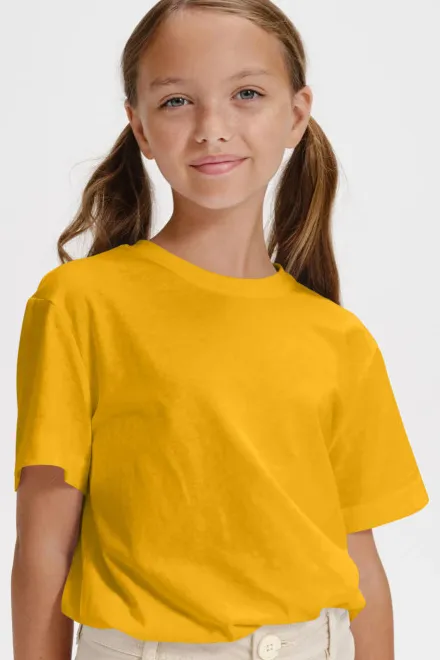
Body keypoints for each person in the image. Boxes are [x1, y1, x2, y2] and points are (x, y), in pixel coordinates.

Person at [11, 1, 430, 659]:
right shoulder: (80, 304)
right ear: (140, 127)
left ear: (296, 115)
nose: (212, 128)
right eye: (177, 101)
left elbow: (360, 562)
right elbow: (43, 542)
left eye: (247, 94)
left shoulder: (339, 338)